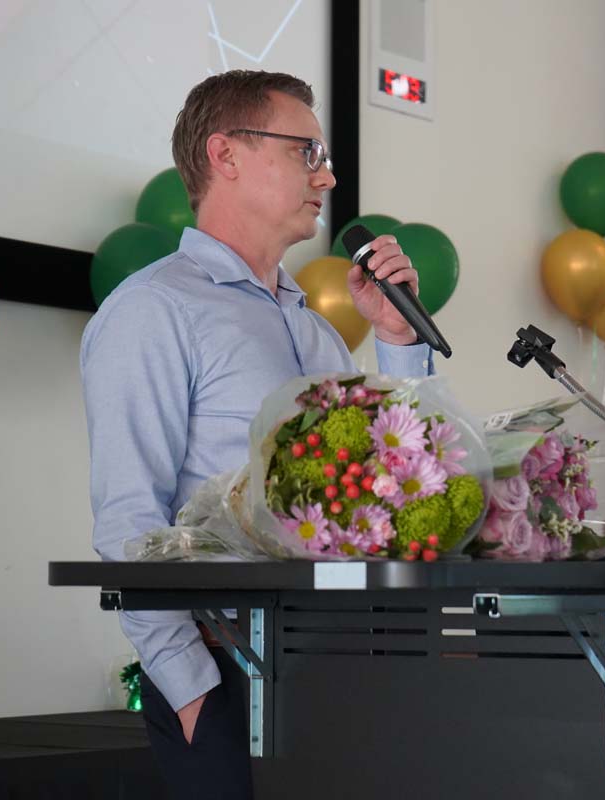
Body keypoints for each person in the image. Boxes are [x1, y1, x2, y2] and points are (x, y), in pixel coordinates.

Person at [80, 70, 433, 799]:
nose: (328, 175)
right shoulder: (152, 311)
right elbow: (128, 522)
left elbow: (402, 484)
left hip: (344, 665)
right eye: (307, 152)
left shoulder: (317, 332)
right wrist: (189, 687)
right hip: (225, 672)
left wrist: (397, 338)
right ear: (225, 155)